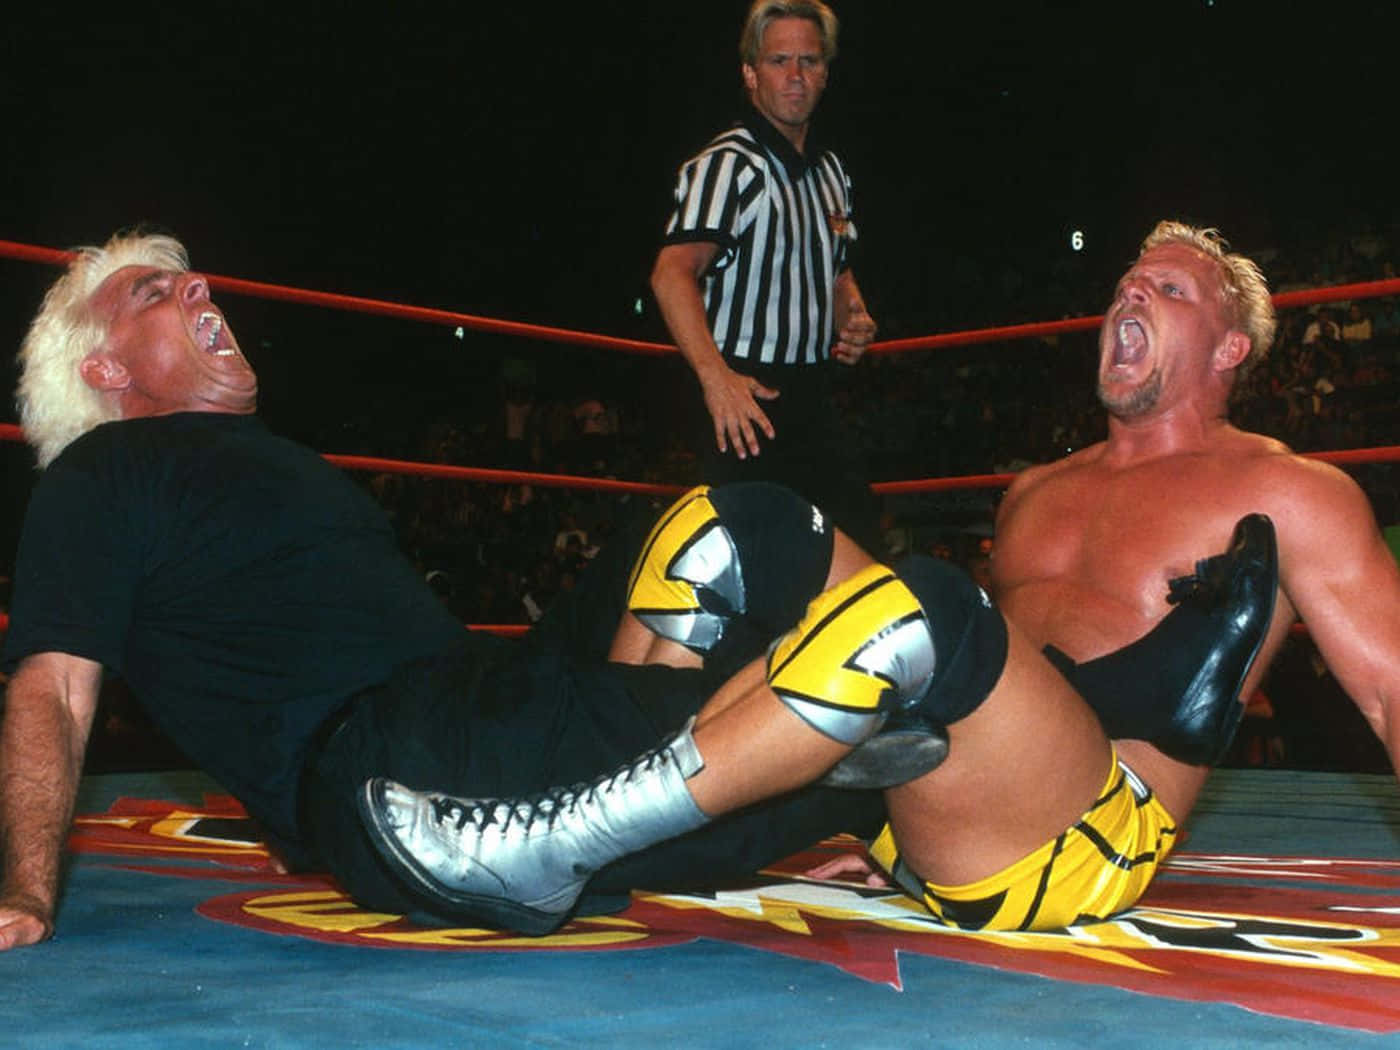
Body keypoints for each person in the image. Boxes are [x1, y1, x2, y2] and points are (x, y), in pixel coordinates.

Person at [360, 221, 1400, 936]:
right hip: (944, 823)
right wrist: (872, 820)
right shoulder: (1035, 492)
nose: (1130, 291)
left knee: (927, 606)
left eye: (1168, 290)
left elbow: (1390, 689)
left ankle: (557, 843)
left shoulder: (1291, 493)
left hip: (1081, 847)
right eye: (1128, 280)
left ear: (1229, 349)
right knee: (730, 523)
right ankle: (614, 811)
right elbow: (977, 701)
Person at [0, 229, 887, 951]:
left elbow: (268, 650)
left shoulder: (275, 460)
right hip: (402, 755)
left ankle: (774, 792)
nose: (197, 288)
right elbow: (57, 687)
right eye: (152, 294)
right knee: (884, 675)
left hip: (479, 700)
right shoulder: (100, 472)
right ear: (104, 370)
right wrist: (26, 891)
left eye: (188, 279)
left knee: (740, 521)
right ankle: (830, 770)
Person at [650, 0, 879, 548]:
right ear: (751, 74)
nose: (795, 76)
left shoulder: (830, 171)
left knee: (858, 551)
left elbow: (835, 267)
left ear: (825, 73)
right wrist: (717, 379)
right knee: (755, 568)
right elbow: (670, 273)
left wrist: (852, 311)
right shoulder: (729, 164)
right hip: (747, 395)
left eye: (809, 60)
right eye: (779, 61)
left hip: (814, 396)